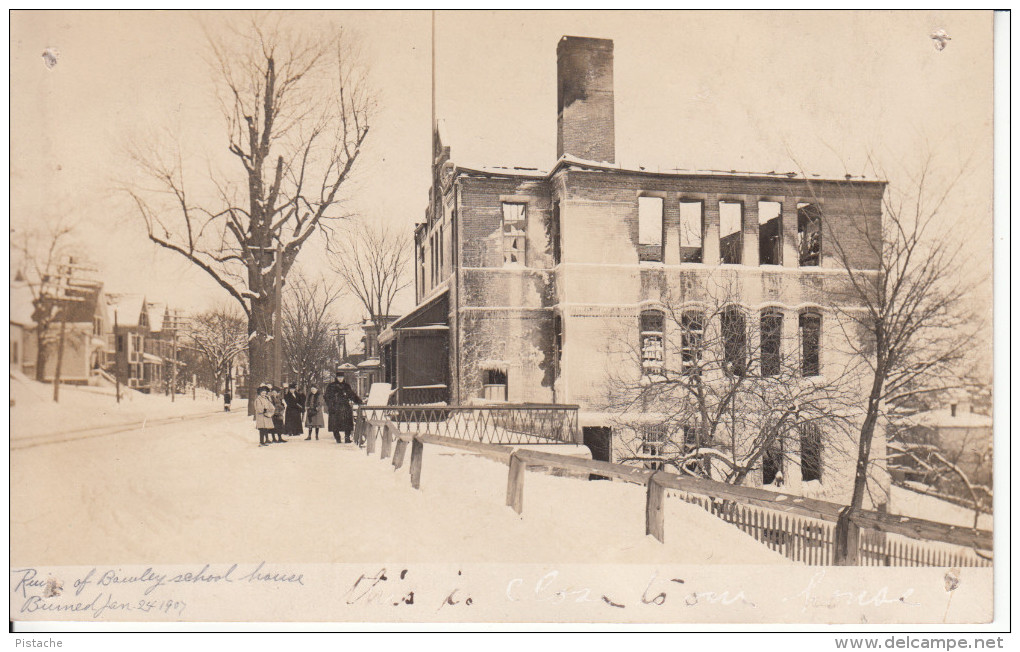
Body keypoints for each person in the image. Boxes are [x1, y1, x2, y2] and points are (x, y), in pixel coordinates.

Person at [324, 371, 362, 444]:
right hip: (335, 407)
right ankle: (337, 437)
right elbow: (326, 396)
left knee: (347, 423)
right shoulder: (331, 386)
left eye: (341, 377)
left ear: (343, 377)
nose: (340, 379)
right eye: (339, 377)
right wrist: (330, 405)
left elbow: (352, 395)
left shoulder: (346, 386)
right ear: (336, 377)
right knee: (335, 424)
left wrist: (359, 401)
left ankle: (347, 438)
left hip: (345, 407)